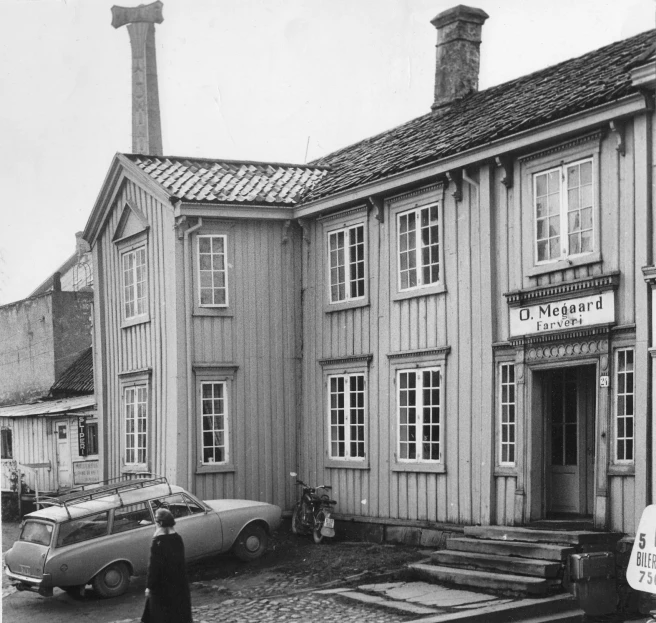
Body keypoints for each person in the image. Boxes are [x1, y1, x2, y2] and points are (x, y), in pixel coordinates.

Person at [141, 508, 192, 623]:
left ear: (159, 523)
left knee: (160, 616)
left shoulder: (158, 541)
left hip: (161, 588)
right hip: (179, 586)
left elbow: (153, 567)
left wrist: (149, 586)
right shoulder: (178, 539)